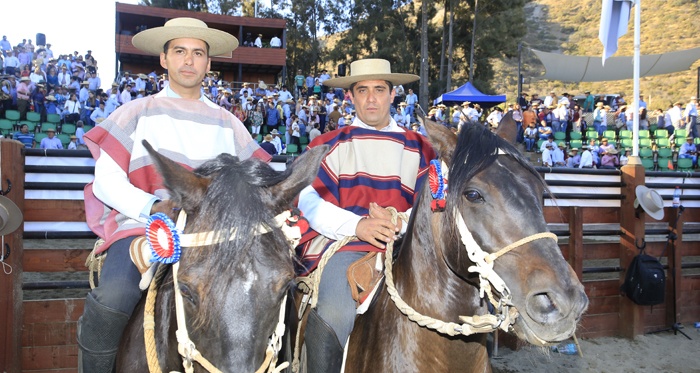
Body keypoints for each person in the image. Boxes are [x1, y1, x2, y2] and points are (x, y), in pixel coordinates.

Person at [77, 17, 270, 372]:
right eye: (179, 51)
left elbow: (259, 183)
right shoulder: (135, 112)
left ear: (209, 64)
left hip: (215, 236)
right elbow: (106, 180)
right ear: (164, 59)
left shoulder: (229, 123)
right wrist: (153, 206)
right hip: (146, 226)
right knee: (114, 297)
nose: (189, 60)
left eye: (198, 53)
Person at [297, 58, 436, 373]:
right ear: (351, 97)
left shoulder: (421, 147)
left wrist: (401, 221)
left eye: (379, 89)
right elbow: (308, 199)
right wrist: (357, 225)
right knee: (334, 309)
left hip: (412, 247)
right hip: (348, 245)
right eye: (362, 90)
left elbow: (435, 202)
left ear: (392, 94)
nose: (371, 98)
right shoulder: (328, 144)